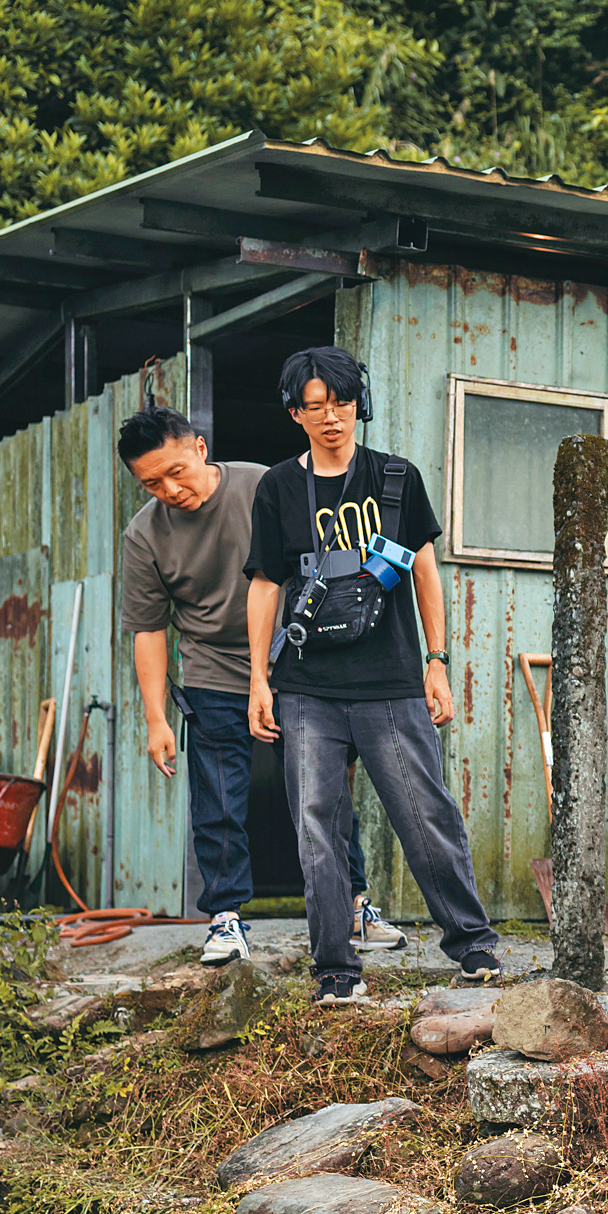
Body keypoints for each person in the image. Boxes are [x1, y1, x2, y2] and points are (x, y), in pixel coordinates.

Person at [243, 347, 503, 1003]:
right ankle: (335, 970)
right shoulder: (277, 487)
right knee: (317, 826)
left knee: (425, 813)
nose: (331, 417)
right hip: (305, 687)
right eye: (314, 405)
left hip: (391, 680)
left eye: (342, 401)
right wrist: (258, 681)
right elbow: (264, 585)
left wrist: (437, 663)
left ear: (359, 401)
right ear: (294, 412)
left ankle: (472, 944)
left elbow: (423, 572)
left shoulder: (395, 478)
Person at [117, 404, 402, 966]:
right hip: (212, 670)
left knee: (323, 789)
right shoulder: (144, 535)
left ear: (200, 448)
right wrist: (155, 718)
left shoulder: (266, 487)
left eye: (177, 471)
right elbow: (148, 630)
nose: (170, 489)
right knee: (220, 795)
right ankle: (225, 919)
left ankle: (353, 907)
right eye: (152, 483)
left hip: (292, 659)